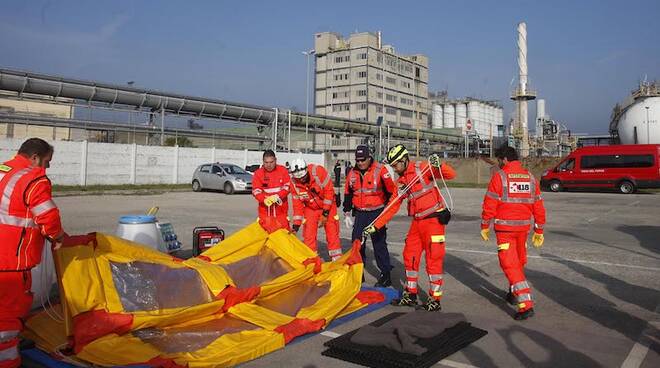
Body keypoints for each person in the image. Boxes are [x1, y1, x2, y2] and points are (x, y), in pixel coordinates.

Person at [363, 144, 456, 311]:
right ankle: (411, 294)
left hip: (433, 222)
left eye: (395, 165)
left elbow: (450, 175)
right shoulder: (402, 182)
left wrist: (439, 165)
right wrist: (375, 226)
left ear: (404, 160)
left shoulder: (423, 168)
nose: (394, 169)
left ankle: (435, 299)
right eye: (392, 166)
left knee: (433, 260)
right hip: (417, 222)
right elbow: (392, 205)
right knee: (409, 256)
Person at [0, 138, 65, 368]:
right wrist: (56, 237)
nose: (46, 168)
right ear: (35, 157)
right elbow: (47, 216)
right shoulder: (33, 178)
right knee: (6, 319)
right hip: (10, 263)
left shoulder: (3, 170)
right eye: (46, 162)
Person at [480, 145, 546, 320]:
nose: (499, 164)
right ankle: (513, 291)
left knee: (510, 265)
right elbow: (538, 206)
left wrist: (485, 225)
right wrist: (539, 230)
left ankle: (526, 305)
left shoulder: (500, 177)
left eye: (500, 160)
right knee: (519, 261)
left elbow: (489, 204)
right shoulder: (530, 178)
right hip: (522, 229)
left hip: (505, 230)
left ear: (505, 159)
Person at [343, 145, 396, 287]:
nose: (360, 163)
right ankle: (358, 273)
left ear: (369, 158)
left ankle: (386, 275)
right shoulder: (352, 173)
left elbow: (391, 192)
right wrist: (346, 212)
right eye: (358, 160)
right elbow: (348, 193)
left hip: (377, 212)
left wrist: (387, 213)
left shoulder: (380, 170)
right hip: (360, 213)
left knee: (379, 244)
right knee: (357, 243)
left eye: (363, 160)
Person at [289, 158, 343, 261]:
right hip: (311, 208)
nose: (302, 180)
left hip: (328, 205)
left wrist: (325, 213)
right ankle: (312, 260)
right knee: (309, 235)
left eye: (303, 177)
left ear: (306, 170)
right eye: (299, 179)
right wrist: (296, 226)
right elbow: (297, 206)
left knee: (332, 233)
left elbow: (329, 192)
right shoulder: (294, 183)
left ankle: (336, 258)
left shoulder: (319, 172)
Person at [251, 150, 291, 231]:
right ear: (263, 162)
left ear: (275, 160)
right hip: (265, 213)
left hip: (281, 213)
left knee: (283, 238)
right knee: (265, 239)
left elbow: (287, 186)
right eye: (266, 162)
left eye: (271, 162)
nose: (269, 165)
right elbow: (256, 190)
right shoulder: (258, 173)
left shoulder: (283, 170)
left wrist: (278, 196)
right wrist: (264, 199)